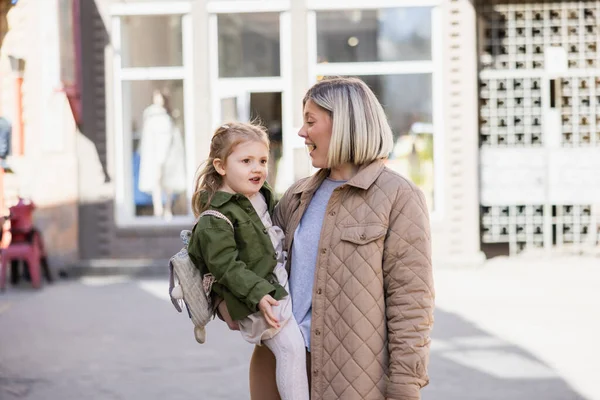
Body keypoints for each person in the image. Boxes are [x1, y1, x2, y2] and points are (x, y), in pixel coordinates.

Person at [248, 77, 435, 400]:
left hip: (351, 381)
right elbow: (253, 263)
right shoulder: (296, 196)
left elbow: (411, 305)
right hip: (277, 366)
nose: (301, 132)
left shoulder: (398, 198)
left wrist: (405, 387)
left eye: (310, 121)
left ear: (345, 124)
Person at [187, 122, 310, 400]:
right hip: (257, 298)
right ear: (220, 166)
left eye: (263, 160)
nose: (257, 168)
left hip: (274, 286)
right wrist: (258, 294)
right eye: (246, 161)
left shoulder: (258, 196)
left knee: (295, 347)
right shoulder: (214, 218)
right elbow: (226, 267)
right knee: (290, 349)